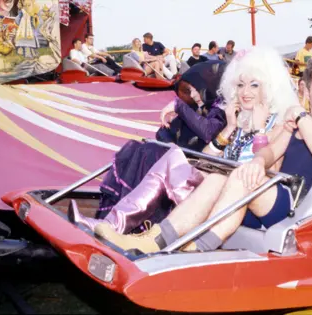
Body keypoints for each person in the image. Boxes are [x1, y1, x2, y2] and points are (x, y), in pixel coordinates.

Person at [94, 56, 312, 254]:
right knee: (217, 177)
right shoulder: (293, 124)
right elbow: (269, 153)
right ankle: (155, 238)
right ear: (306, 90)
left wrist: (301, 116)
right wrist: (258, 162)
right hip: (270, 197)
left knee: (237, 177)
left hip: (302, 208)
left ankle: (196, 249)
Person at [71, 49, 294, 234]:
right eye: (240, 85)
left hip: (241, 203)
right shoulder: (238, 119)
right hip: (212, 191)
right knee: (164, 154)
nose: (245, 92)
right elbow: (204, 157)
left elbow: (268, 173)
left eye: (254, 85)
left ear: (269, 87)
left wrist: (258, 129)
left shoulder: (277, 124)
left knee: (169, 158)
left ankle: (119, 227)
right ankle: (112, 225)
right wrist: (230, 128)